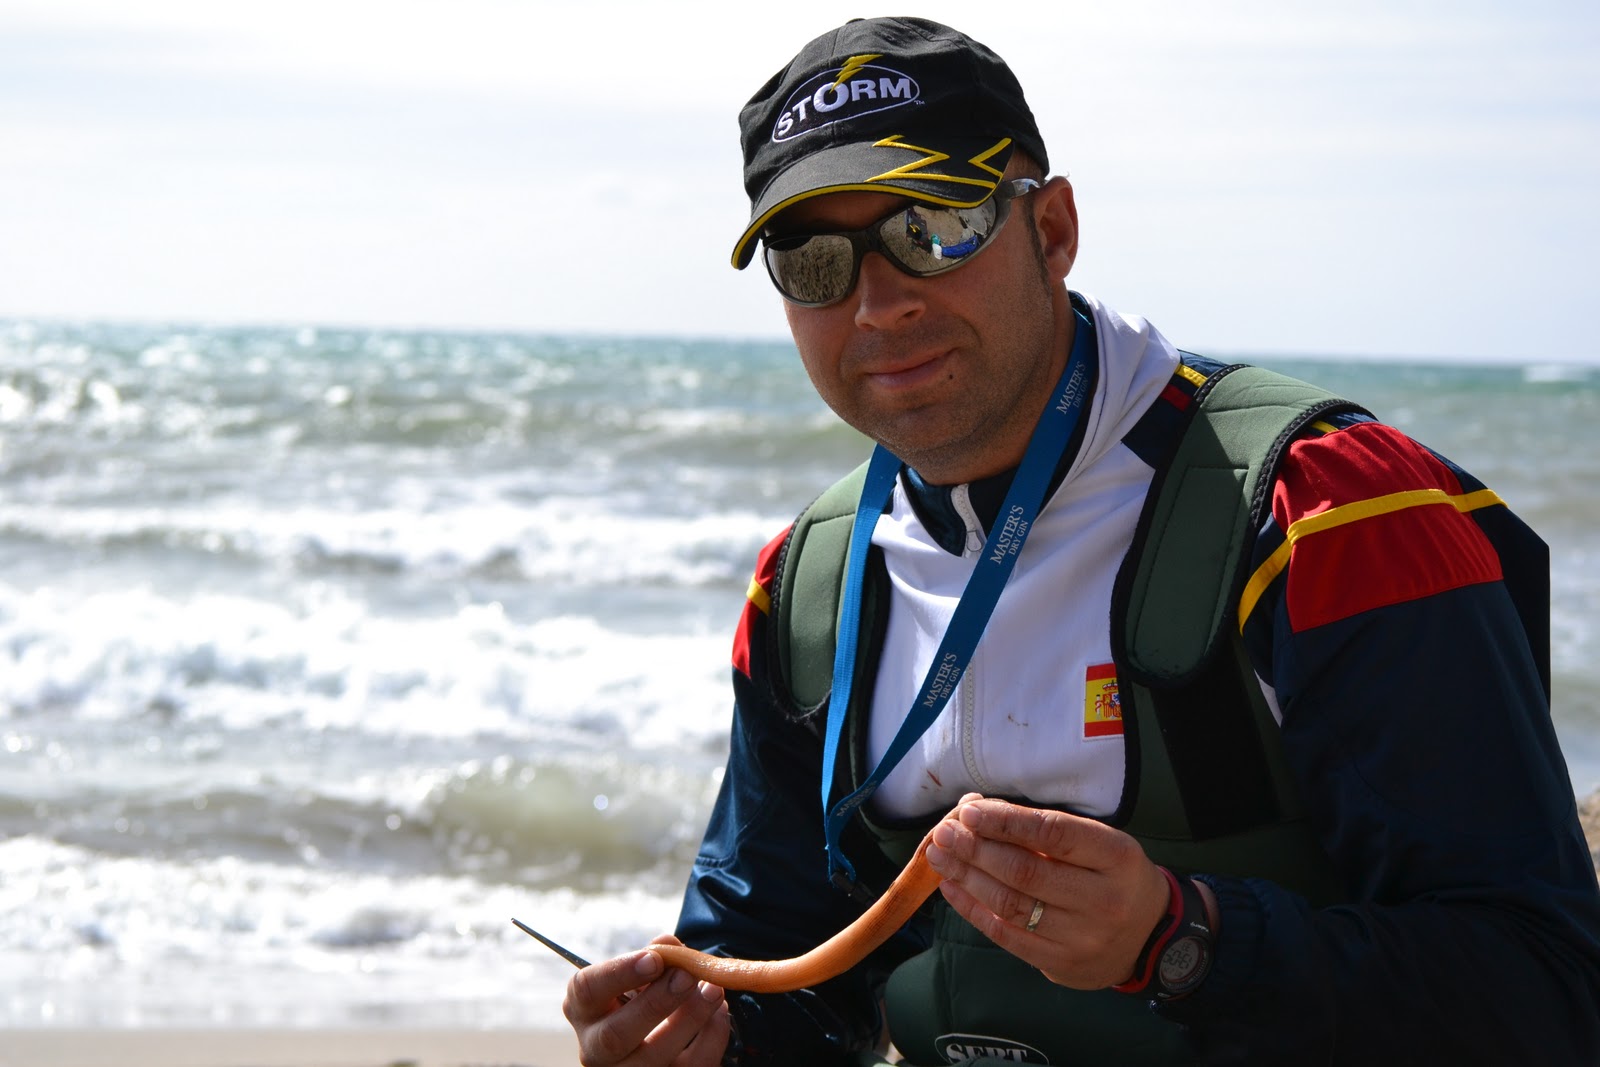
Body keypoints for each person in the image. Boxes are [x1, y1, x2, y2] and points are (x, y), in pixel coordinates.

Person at [562, 16, 1600, 1065]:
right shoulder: (807, 587)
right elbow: (771, 971)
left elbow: (1547, 992)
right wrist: (699, 1041)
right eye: (813, 259)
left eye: (935, 224)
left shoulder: (1324, 512)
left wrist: (1182, 940)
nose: (877, 304)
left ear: (1052, 230)